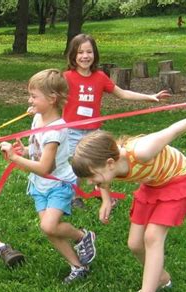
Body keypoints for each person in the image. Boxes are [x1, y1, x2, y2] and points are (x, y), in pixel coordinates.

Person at [71, 98, 186, 292]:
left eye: (92, 176)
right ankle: (162, 279)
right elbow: (104, 179)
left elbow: (173, 130)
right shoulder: (109, 167)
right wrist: (105, 199)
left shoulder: (143, 150)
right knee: (135, 244)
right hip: (153, 184)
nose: (89, 183)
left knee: (153, 237)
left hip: (176, 179)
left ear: (109, 163)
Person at [0, 69, 96, 284]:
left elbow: (45, 167)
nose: (29, 100)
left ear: (52, 99)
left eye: (34, 96)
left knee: (49, 226)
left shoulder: (55, 132)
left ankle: (82, 236)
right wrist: (25, 151)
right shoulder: (37, 119)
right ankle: (77, 266)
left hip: (58, 184)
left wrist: (15, 158)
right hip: (39, 184)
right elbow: (37, 151)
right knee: (50, 230)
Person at [64, 34, 170, 208]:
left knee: (100, 162)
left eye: (89, 52)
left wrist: (150, 97)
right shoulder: (67, 77)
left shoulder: (100, 77)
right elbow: (52, 94)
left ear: (94, 54)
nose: (85, 56)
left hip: (93, 132)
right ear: (73, 55)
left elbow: (122, 93)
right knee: (77, 164)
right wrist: (37, 108)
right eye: (80, 52)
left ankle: (101, 191)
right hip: (72, 131)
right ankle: (75, 196)